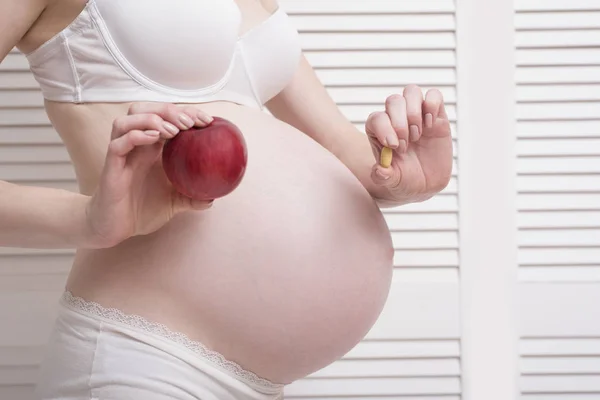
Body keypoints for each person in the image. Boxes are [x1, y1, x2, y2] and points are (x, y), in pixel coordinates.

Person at [1, 0, 453, 399]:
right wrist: (87, 219)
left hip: (260, 383)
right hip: (144, 359)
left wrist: (404, 175)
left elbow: (340, 146)